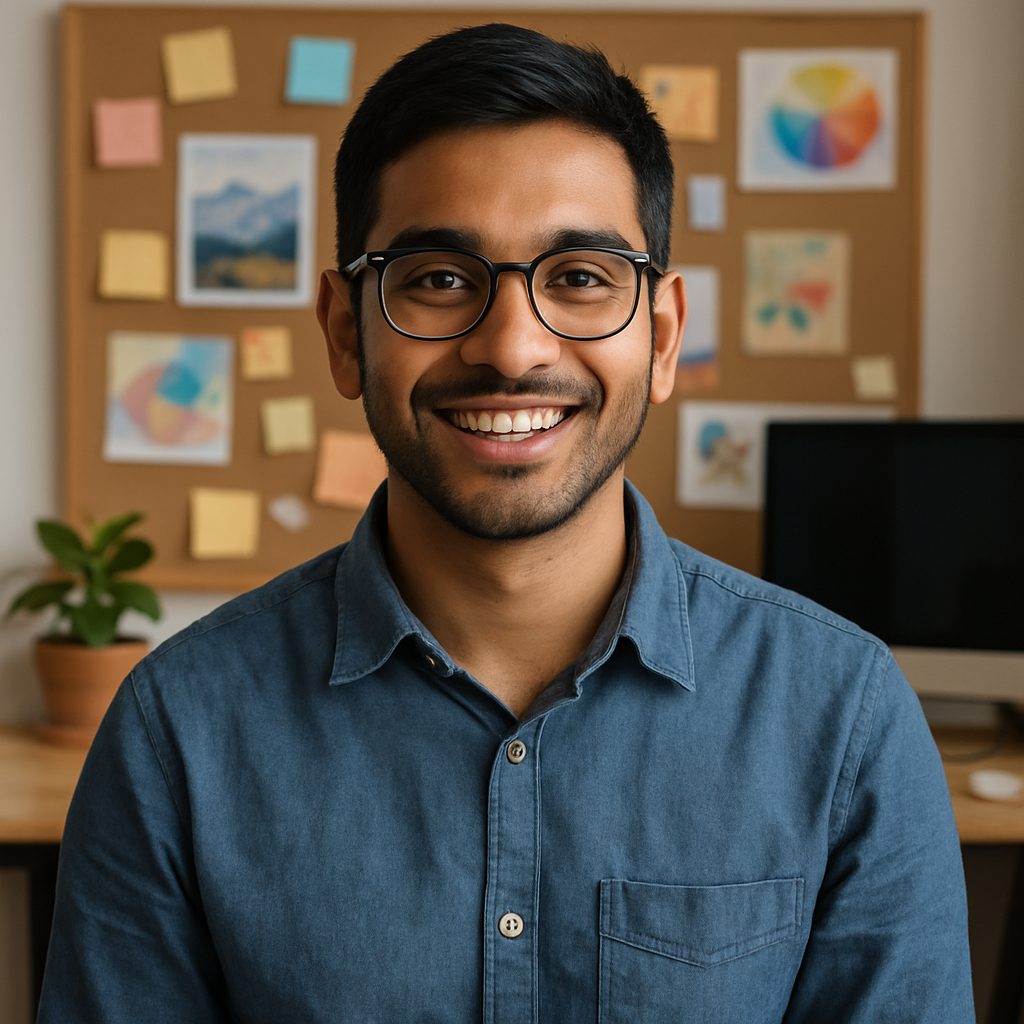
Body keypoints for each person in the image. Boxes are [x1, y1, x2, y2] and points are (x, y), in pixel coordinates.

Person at [39, 23, 973, 1023]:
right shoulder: (176, 732)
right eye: (440, 279)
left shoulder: (845, 720)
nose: (512, 348)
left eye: (579, 277)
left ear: (660, 337)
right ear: (345, 333)